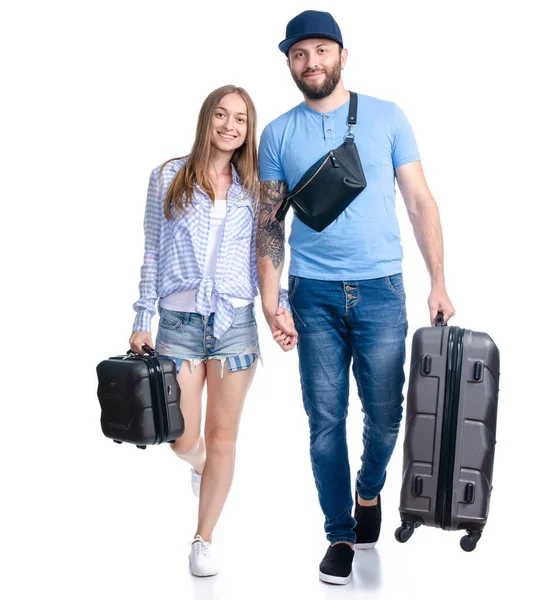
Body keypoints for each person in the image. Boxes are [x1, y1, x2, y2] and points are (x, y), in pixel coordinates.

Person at [257, 11, 456, 585]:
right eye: (299, 54)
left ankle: (369, 491)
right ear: (290, 63)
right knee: (324, 420)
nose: (311, 62)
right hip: (312, 294)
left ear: (343, 55)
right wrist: (273, 301)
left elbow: (420, 202)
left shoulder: (388, 117)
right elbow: (270, 225)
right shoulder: (277, 133)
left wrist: (437, 280)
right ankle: (339, 532)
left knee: (388, 415)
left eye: (321, 50)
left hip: (382, 291)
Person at [129, 85, 280, 577]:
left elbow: (272, 257)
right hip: (179, 324)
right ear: (206, 119)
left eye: (240, 118)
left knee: (223, 438)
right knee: (181, 436)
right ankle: (200, 468)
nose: (230, 125)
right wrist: (141, 320)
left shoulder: (256, 188)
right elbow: (152, 251)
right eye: (221, 114)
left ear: (248, 129)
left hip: (235, 325)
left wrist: (281, 309)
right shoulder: (167, 177)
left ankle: (203, 537)